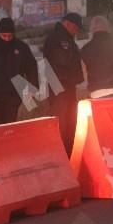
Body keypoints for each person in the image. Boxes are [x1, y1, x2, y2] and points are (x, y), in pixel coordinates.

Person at [43, 13, 85, 155]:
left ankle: (70, 153)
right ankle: (63, 154)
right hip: (60, 87)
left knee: (70, 122)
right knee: (62, 123)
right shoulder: (58, 39)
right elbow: (60, 64)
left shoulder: (65, 38)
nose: (77, 31)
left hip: (66, 86)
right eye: (76, 28)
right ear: (68, 24)